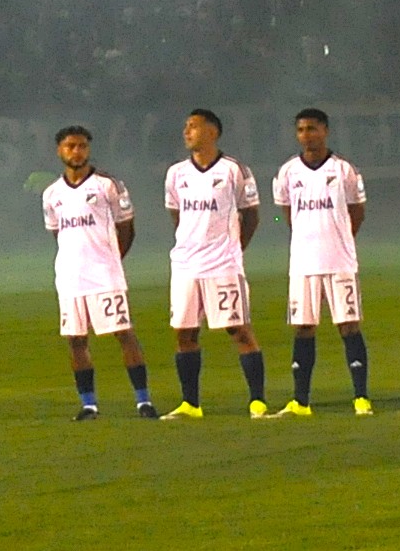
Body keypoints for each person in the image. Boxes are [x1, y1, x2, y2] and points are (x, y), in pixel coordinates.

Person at [164, 108, 267, 419]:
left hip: (222, 265)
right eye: (186, 126)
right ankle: (190, 404)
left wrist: (234, 248)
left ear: (212, 131)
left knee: (239, 330)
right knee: (184, 333)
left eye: (193, 126)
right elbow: (176, 214)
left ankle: (257, 401)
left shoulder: (235, 170)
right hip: (185, 266)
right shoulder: (176, 173)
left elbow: (251, 214)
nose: (187, 131)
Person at [46, 125, 155, 418]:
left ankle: (144, 401)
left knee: (123, 333)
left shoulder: (107, 185)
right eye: (70, 146)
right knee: (76, 340)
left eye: (81, 146)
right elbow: (58, 232)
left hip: (105, 275)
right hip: (69, 278)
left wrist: (111, 260)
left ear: (88, 149)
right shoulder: (51, 194)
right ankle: (89, 405)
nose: (76, 151)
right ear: (60, 151)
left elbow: (126, 227)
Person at [271, 107, 371, 416]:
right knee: (303, 328)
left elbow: (357, 211)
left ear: (325, 131)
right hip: (303, 263)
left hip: (339, 261)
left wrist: (338, 237)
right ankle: (301, 401)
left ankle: (361, 398)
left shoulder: (344, 171)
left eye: (312, 129)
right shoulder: (288, 172)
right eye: (301, 130)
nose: (306, 135)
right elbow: (288, 212)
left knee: (348, 326)